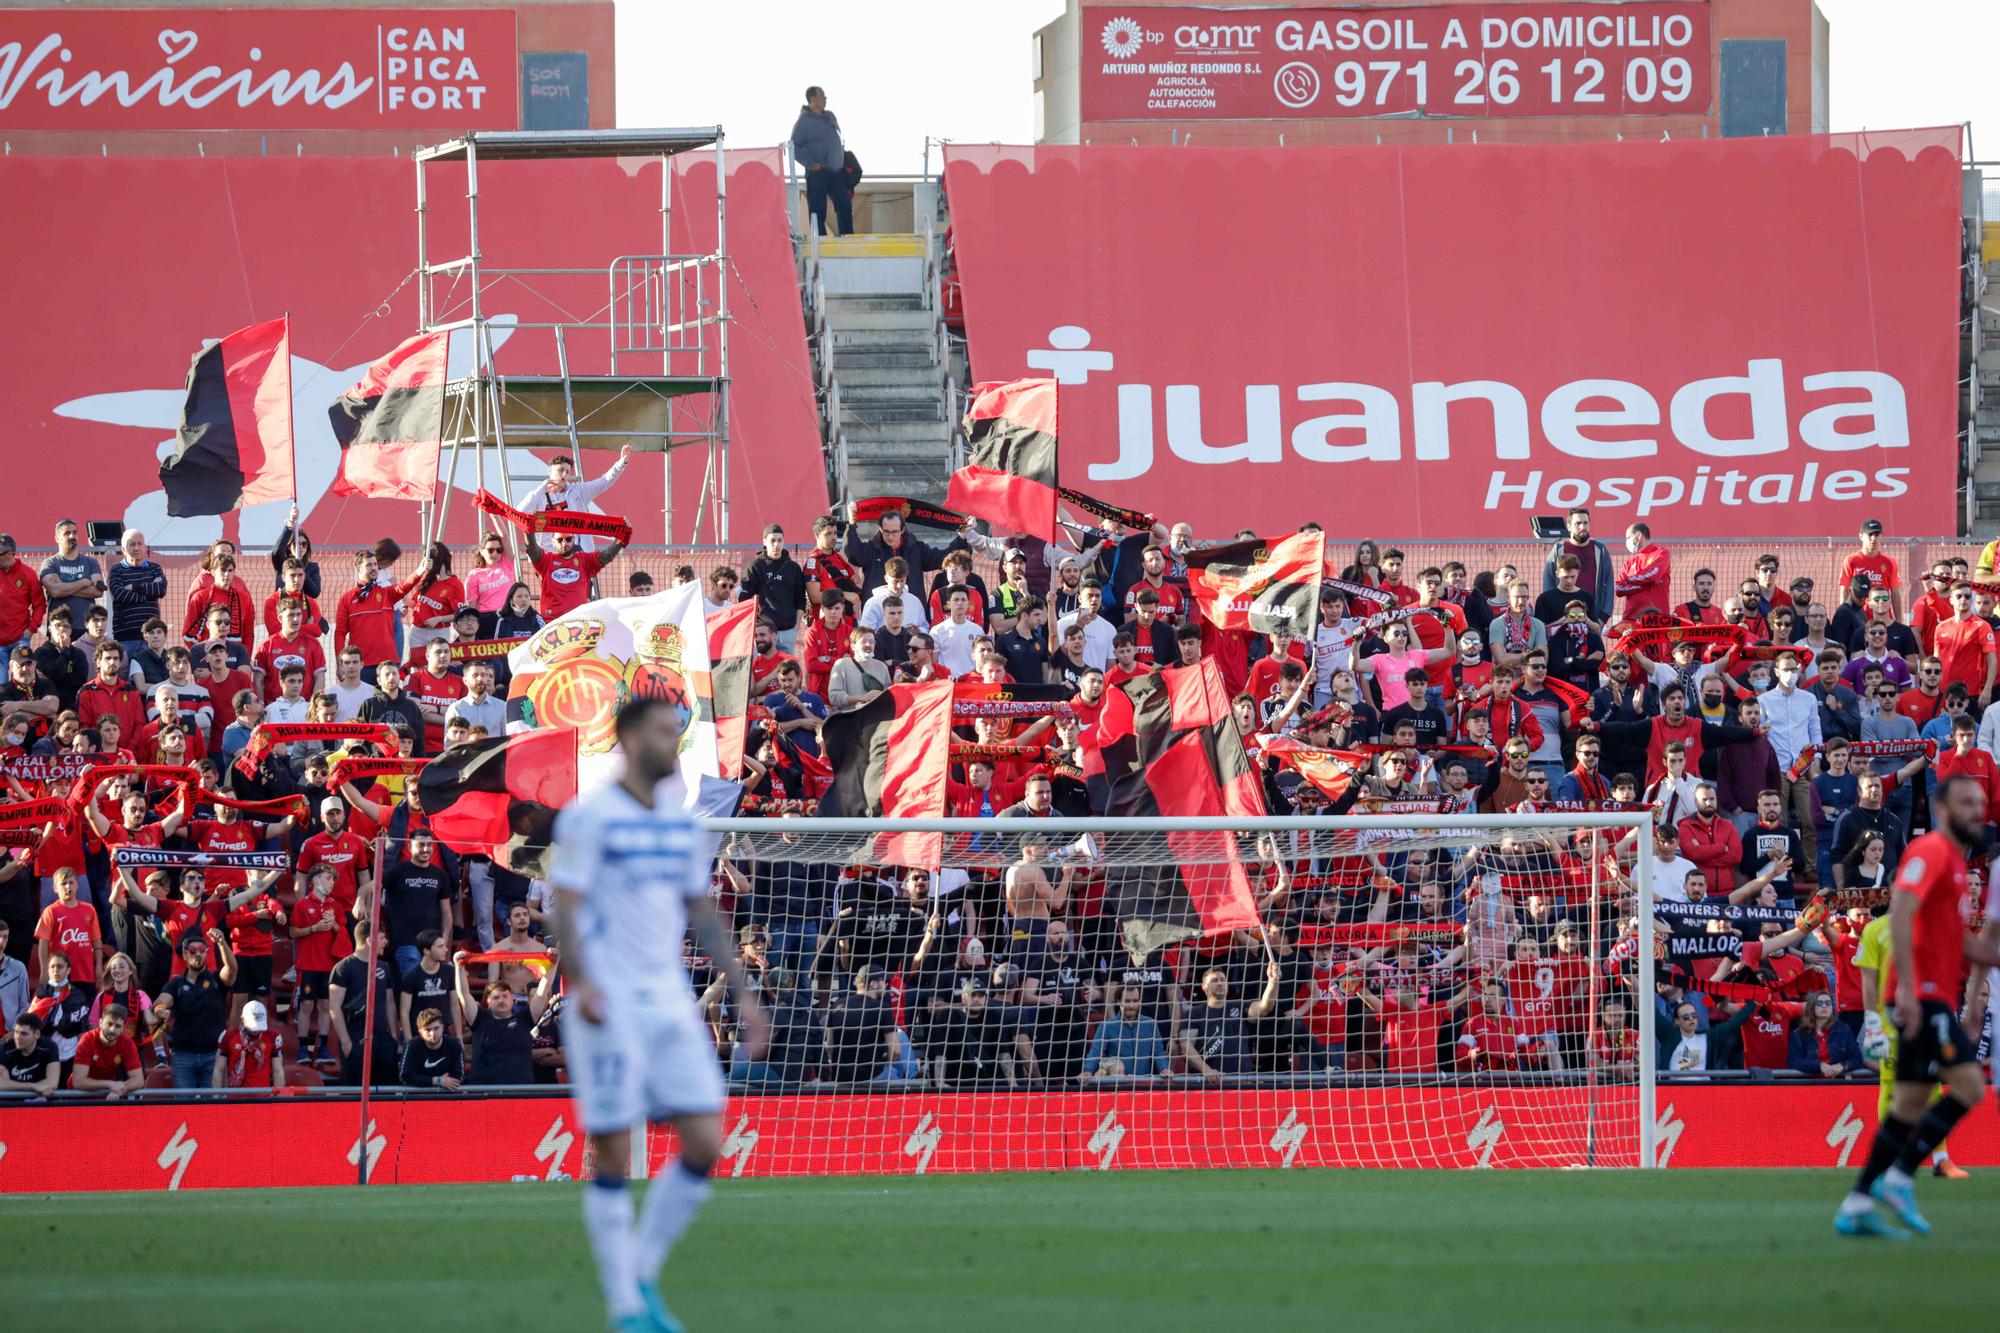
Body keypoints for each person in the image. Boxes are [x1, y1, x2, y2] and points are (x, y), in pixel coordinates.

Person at [550, 696, 767, 1332]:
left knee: (705, 1139)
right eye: (664, 731)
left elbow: (701, 912)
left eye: (678, 731)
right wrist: (583, 980)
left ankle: (638, 1274)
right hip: (608, 998)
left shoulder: (677, 822)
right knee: (614, 1150)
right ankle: (625, 1307)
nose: (674, 742)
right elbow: (566, 905)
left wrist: (744, 992)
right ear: (627, 737)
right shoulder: (592, 817)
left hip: (669, 995)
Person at [1834, 776, 1999, 1238]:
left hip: (1934, 994)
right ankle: (1901, 1177)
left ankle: (1858, 1202)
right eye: (1968, 803)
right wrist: (1907, 985)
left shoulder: (1953, 865)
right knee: (1968, 1086)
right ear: (1943, 809)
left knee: (1907, 1105)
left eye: (1982, 803)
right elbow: (1901, 910)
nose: (1978, 811)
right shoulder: (1930, 853)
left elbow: (1956, 942)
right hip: (1922, 994)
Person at [790, 85, 852, 237]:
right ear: (813, 100)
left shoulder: (830, 116)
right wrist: (810, 164)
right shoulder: (804, 121)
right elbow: (794, 147)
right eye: (822, 96)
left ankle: (848, 237)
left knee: (844, 203)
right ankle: (820, 240)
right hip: (817, 172)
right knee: (818, 208)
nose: (825, 98)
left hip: (836, 170)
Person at [69, 1002, 143, 1097]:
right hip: (78, 1095)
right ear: (100, 1023)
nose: (112, 1030)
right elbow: (78, 1082)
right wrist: (109, 1084)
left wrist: (119, 1089)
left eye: (117, 1026)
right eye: (109, 1024)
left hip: (108, 1095)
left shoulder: (127, 1043)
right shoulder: (87, 1039)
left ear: (123, 1029)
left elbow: (139, 1080)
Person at [401, 1007, 466, 1090]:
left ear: (442, 1027)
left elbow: (458, 1077)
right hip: (419, 1098)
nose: (433, 1034)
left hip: (448, 1097)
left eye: (436, 1028)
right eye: (428, 1030)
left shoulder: (454, 1045)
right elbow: (405, 1076)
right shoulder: (412, 1046)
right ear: (420, 1032)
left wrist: (423, 1080)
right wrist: (437, 1080)